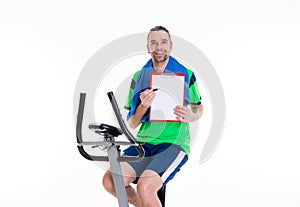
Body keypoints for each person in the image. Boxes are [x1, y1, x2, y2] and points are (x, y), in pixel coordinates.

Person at [102, 26, 203, 207]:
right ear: (148, 47)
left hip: (173, 144)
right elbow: (132, 123)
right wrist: (143, 106)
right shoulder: (139, 78)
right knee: (111, 180)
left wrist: (191, 115)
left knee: (146, 187)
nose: (159, 47)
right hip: (144, 143)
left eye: (163, 42)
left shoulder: (187, 75)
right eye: (154, 43)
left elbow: (199, 109)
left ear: (170, 46)